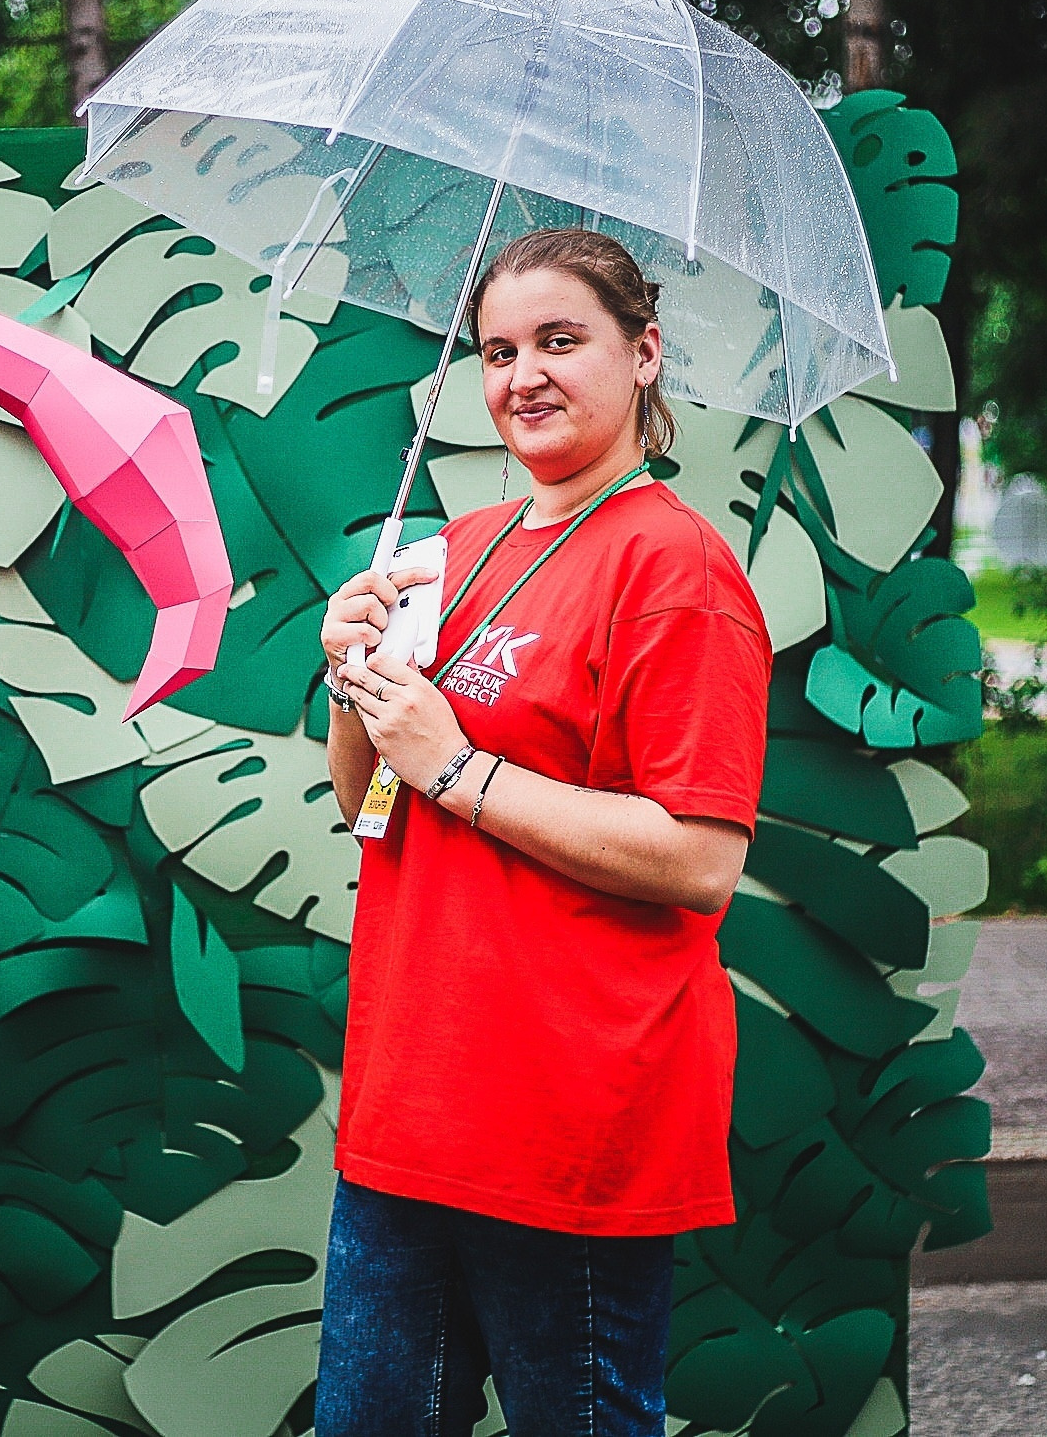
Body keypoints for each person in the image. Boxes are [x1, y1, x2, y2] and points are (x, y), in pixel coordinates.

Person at [312, 227, 773, 1437]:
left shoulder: (674, 567)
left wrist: (458, 765)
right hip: (409, 1107)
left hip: (566, 1119)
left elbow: (700, 857)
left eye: (560, 341)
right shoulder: (453, 552)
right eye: (499, 349)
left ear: (644, 353)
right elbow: (362, 805)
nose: (524, 375)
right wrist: (351, 676)